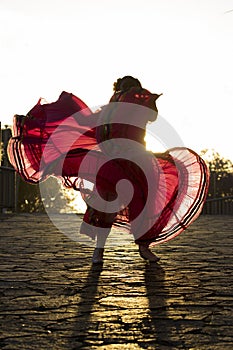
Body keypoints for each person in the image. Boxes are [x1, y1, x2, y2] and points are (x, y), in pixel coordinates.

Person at [7, 76, 209, 264]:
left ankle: (125, 248)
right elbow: (90, 123)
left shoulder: (129, 105)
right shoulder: (115, 107)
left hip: (131, 160)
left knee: (130, 203)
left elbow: (151, 117)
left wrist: (144, 98)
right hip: (115, 162)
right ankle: (115, 249)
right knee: (115, 203)